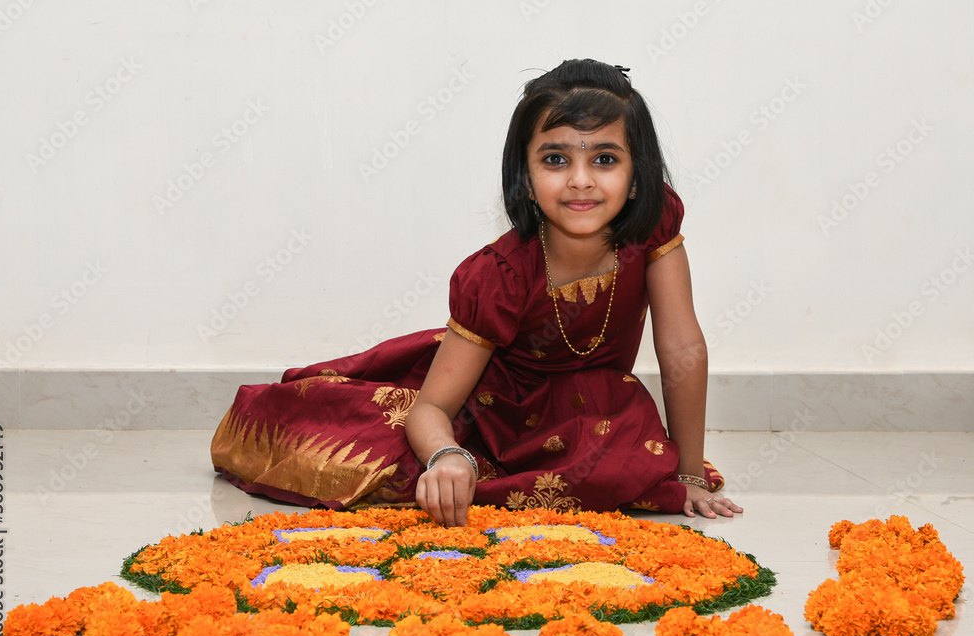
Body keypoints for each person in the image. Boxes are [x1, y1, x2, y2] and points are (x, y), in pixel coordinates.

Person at [211, 58, 742, 527]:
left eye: (604, 159)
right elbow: (431, 408)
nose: (581, 181)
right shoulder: (501, 275)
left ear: (636, 175)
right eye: (555, 160)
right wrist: (448, 457)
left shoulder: (654, 226)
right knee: (348, 450)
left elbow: (682, 348)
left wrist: (690, 474)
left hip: (598, 410)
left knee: (636, 464)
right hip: (486, 409)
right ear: (525, 175)